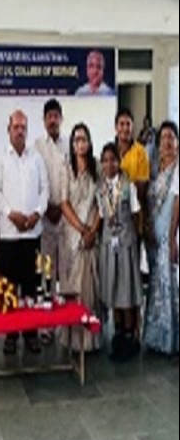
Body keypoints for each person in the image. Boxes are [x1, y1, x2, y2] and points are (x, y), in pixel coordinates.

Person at [0, 110, 49, 355]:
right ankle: (11, 334)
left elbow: (45, 189)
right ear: (9, 129)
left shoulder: (36, 157)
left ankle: (31, 333)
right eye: (16, 127)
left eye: (23, 127)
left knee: (31, 286)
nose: (20, 131)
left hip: (32, 234)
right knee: (8, 288)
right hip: (9, 234)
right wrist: (10, 214)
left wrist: (37, 213)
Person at [97, 143, 143, 363]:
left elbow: (136, 214)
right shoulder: (101, 188)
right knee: (113, 290)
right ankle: (117, 333)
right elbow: (101, 215)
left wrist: (135, 238)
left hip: (125, 244)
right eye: (105, 160)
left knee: (126, 291)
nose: (109, 164)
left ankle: (129, 336)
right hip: (109, 245)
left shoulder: (127, 186)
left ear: (119, 161)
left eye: (113, 160)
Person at [59, 123, 102, 352]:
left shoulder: (98, 168)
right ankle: (73, 340)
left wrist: (93, 231)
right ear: (72, 144)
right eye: (76, 140)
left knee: (90, 292)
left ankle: (90, 341)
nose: (80, 144)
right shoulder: (67, 169)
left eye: (84, 139)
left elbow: (102, 203)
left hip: (91, 237)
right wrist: (82, 229)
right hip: (71, 237)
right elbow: (64, 204)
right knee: (73, 289)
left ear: (89, 142)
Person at [34, 99, 70, 346]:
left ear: (61, 119)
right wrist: (46, 208)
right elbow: (35, 181)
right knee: (45, 275)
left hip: (66, 220)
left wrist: (61, 207)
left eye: (56, 116)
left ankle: (65, 325)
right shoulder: (37, 147)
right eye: (49, 116)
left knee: (66, 274)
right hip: (44, 222)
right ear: (44, 120)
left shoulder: (70, 144)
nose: (53, 120)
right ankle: (45, 326)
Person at [143, 121, 179, 356]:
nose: (167, 141)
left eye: (171, 137)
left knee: (169, 285)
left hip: (170, 233)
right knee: (156, 286)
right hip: (154, 236)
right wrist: (147, 228)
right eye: (163, 137)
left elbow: (177, 203)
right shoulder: (154, 170)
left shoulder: (177, 170)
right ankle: (156, 338)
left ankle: (171, 340)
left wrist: (173, 236)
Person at [115, 108, 150, 341]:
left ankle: (134, 330)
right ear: (116, 127)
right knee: (116, 275)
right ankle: (119, 328)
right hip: (113, 226)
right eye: (122, 124)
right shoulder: (111, 151)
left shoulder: (140, 153)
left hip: (132, 223)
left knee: (132, 277)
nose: (125, 128)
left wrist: (123, 190)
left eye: (128, 124)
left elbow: (141, 188)